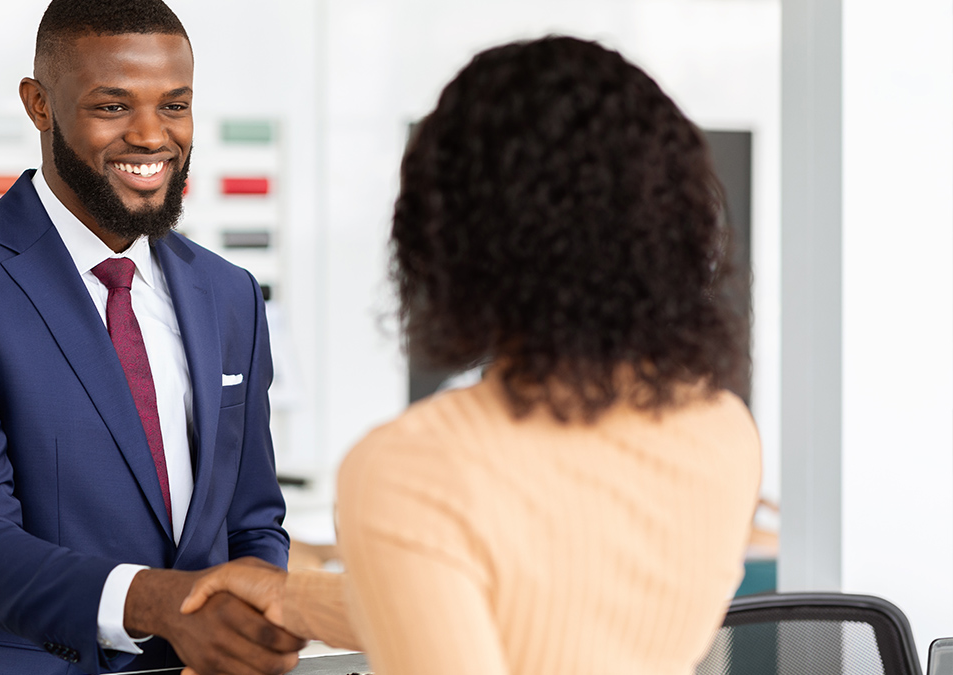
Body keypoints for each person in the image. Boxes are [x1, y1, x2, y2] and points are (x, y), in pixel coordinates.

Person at [180, 36, 762, 675]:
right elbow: (535, 602)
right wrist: (294, 597)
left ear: (448, 229)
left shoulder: (415, 468)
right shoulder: (720, 427)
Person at [0, 1, 305, 673]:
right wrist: (159, 603)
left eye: (174, 105)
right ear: (39, 104)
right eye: (112, 107)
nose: (151, 135)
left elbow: (251, 517)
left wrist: (251, 614)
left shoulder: (230, 293)